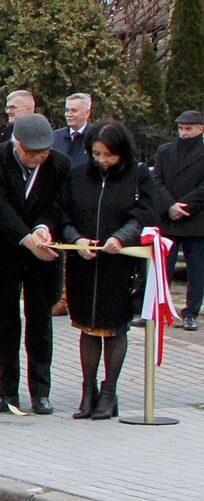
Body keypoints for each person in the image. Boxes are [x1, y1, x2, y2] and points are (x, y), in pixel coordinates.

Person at [59, 124, 155, 420]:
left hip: (119, 263)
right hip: (84, 263)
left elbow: (145, 214)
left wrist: (122, 237)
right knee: (87, 326)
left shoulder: (138, 175)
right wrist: (76, 239)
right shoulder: (77, 176)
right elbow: (62, 214)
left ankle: (109, 391)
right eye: (96, 153)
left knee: (114, 328)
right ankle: (88, 392)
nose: (102, 160)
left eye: (109, 155)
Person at [0, 112, 68, 415]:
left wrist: (43, 229)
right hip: (4, 248)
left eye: (42, 152)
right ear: (16, 144)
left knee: (40, 319)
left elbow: (57, 205)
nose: (36, 158)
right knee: (5, 319)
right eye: (30, 152)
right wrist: (27, 239)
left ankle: (40, 391)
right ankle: (6, 391)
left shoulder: (58, 165)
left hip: (43, 252)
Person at [151, 111, 204, 332]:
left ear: (201, 129)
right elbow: (156, 179)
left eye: (189, 128)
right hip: (169, 220)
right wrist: (170, 205)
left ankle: (190, 313)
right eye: (181, 128)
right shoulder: (165, 151)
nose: (184, 133)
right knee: (161, 270)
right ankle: (156, 311)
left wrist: (184, 206)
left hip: (196, 221)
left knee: (197, 272)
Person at [53, 93, 94, 170]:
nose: (68, 114)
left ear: (87, 113)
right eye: (67, 110)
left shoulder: (96, 137)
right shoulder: (55, 137)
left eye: (74, 111)